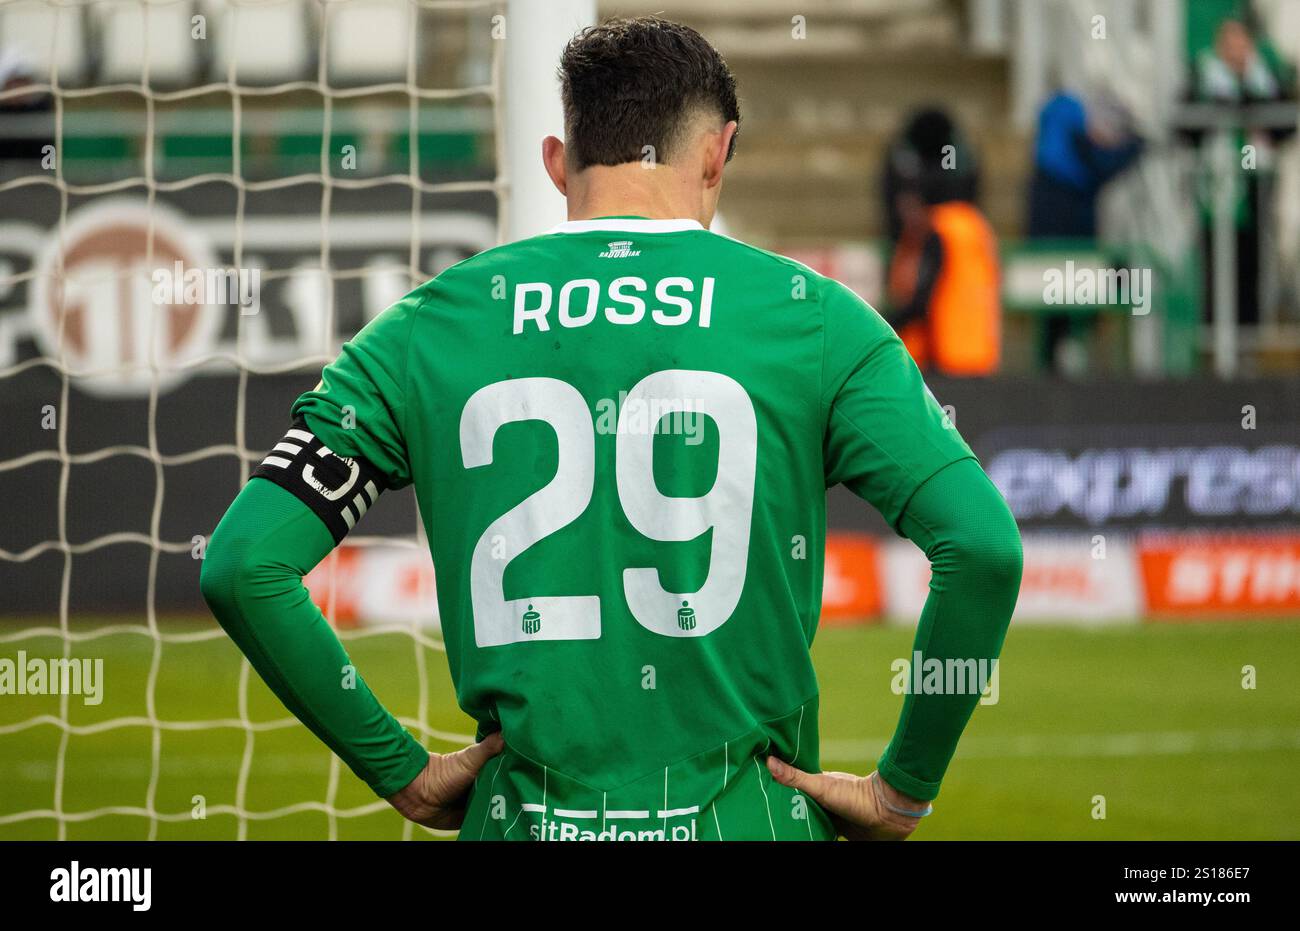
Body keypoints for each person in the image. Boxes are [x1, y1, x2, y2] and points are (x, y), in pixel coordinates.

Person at [201, 16, 1022, 842]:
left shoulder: (424, 327)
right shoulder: (818, 322)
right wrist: (901, 790)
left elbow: (243, 564)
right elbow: (983, 547)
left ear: (557, 162)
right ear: (718, 153)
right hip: (749, 821)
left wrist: (400, 770)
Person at [883, 109, 1003, 377]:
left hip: (947, 360)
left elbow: (921, 300)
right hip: (979, 356)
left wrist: (880, 326)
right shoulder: (974, 225)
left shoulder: (939, 232)